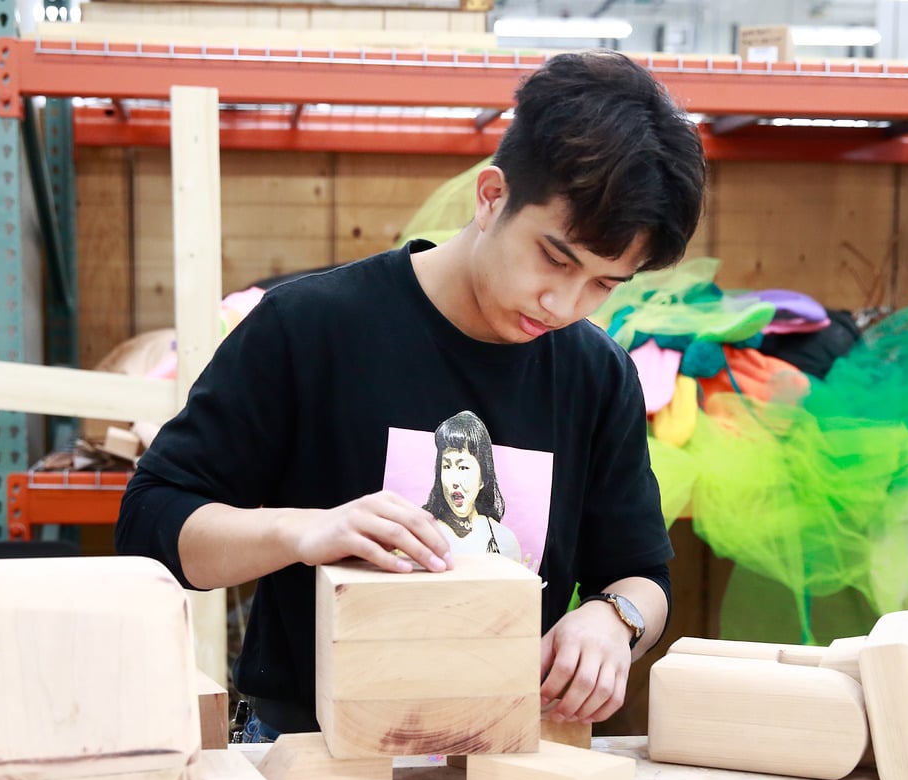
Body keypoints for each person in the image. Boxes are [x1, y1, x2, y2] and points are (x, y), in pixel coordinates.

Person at [116, 49, 706, 738]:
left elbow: (641, 578)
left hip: (502, 749)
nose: (563, 302)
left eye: (604, 283)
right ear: (491, 197)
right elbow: (151, 523)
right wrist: (300, 529)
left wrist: (615, 620)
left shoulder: (596, 373)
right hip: (313, 750)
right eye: (555, 257)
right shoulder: (310, 327)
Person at [423, 410, 523, 564]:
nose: (454, 480)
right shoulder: (423, 532)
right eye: (447, 466)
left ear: (483, 478)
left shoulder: (502, 538)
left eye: (463, 467)